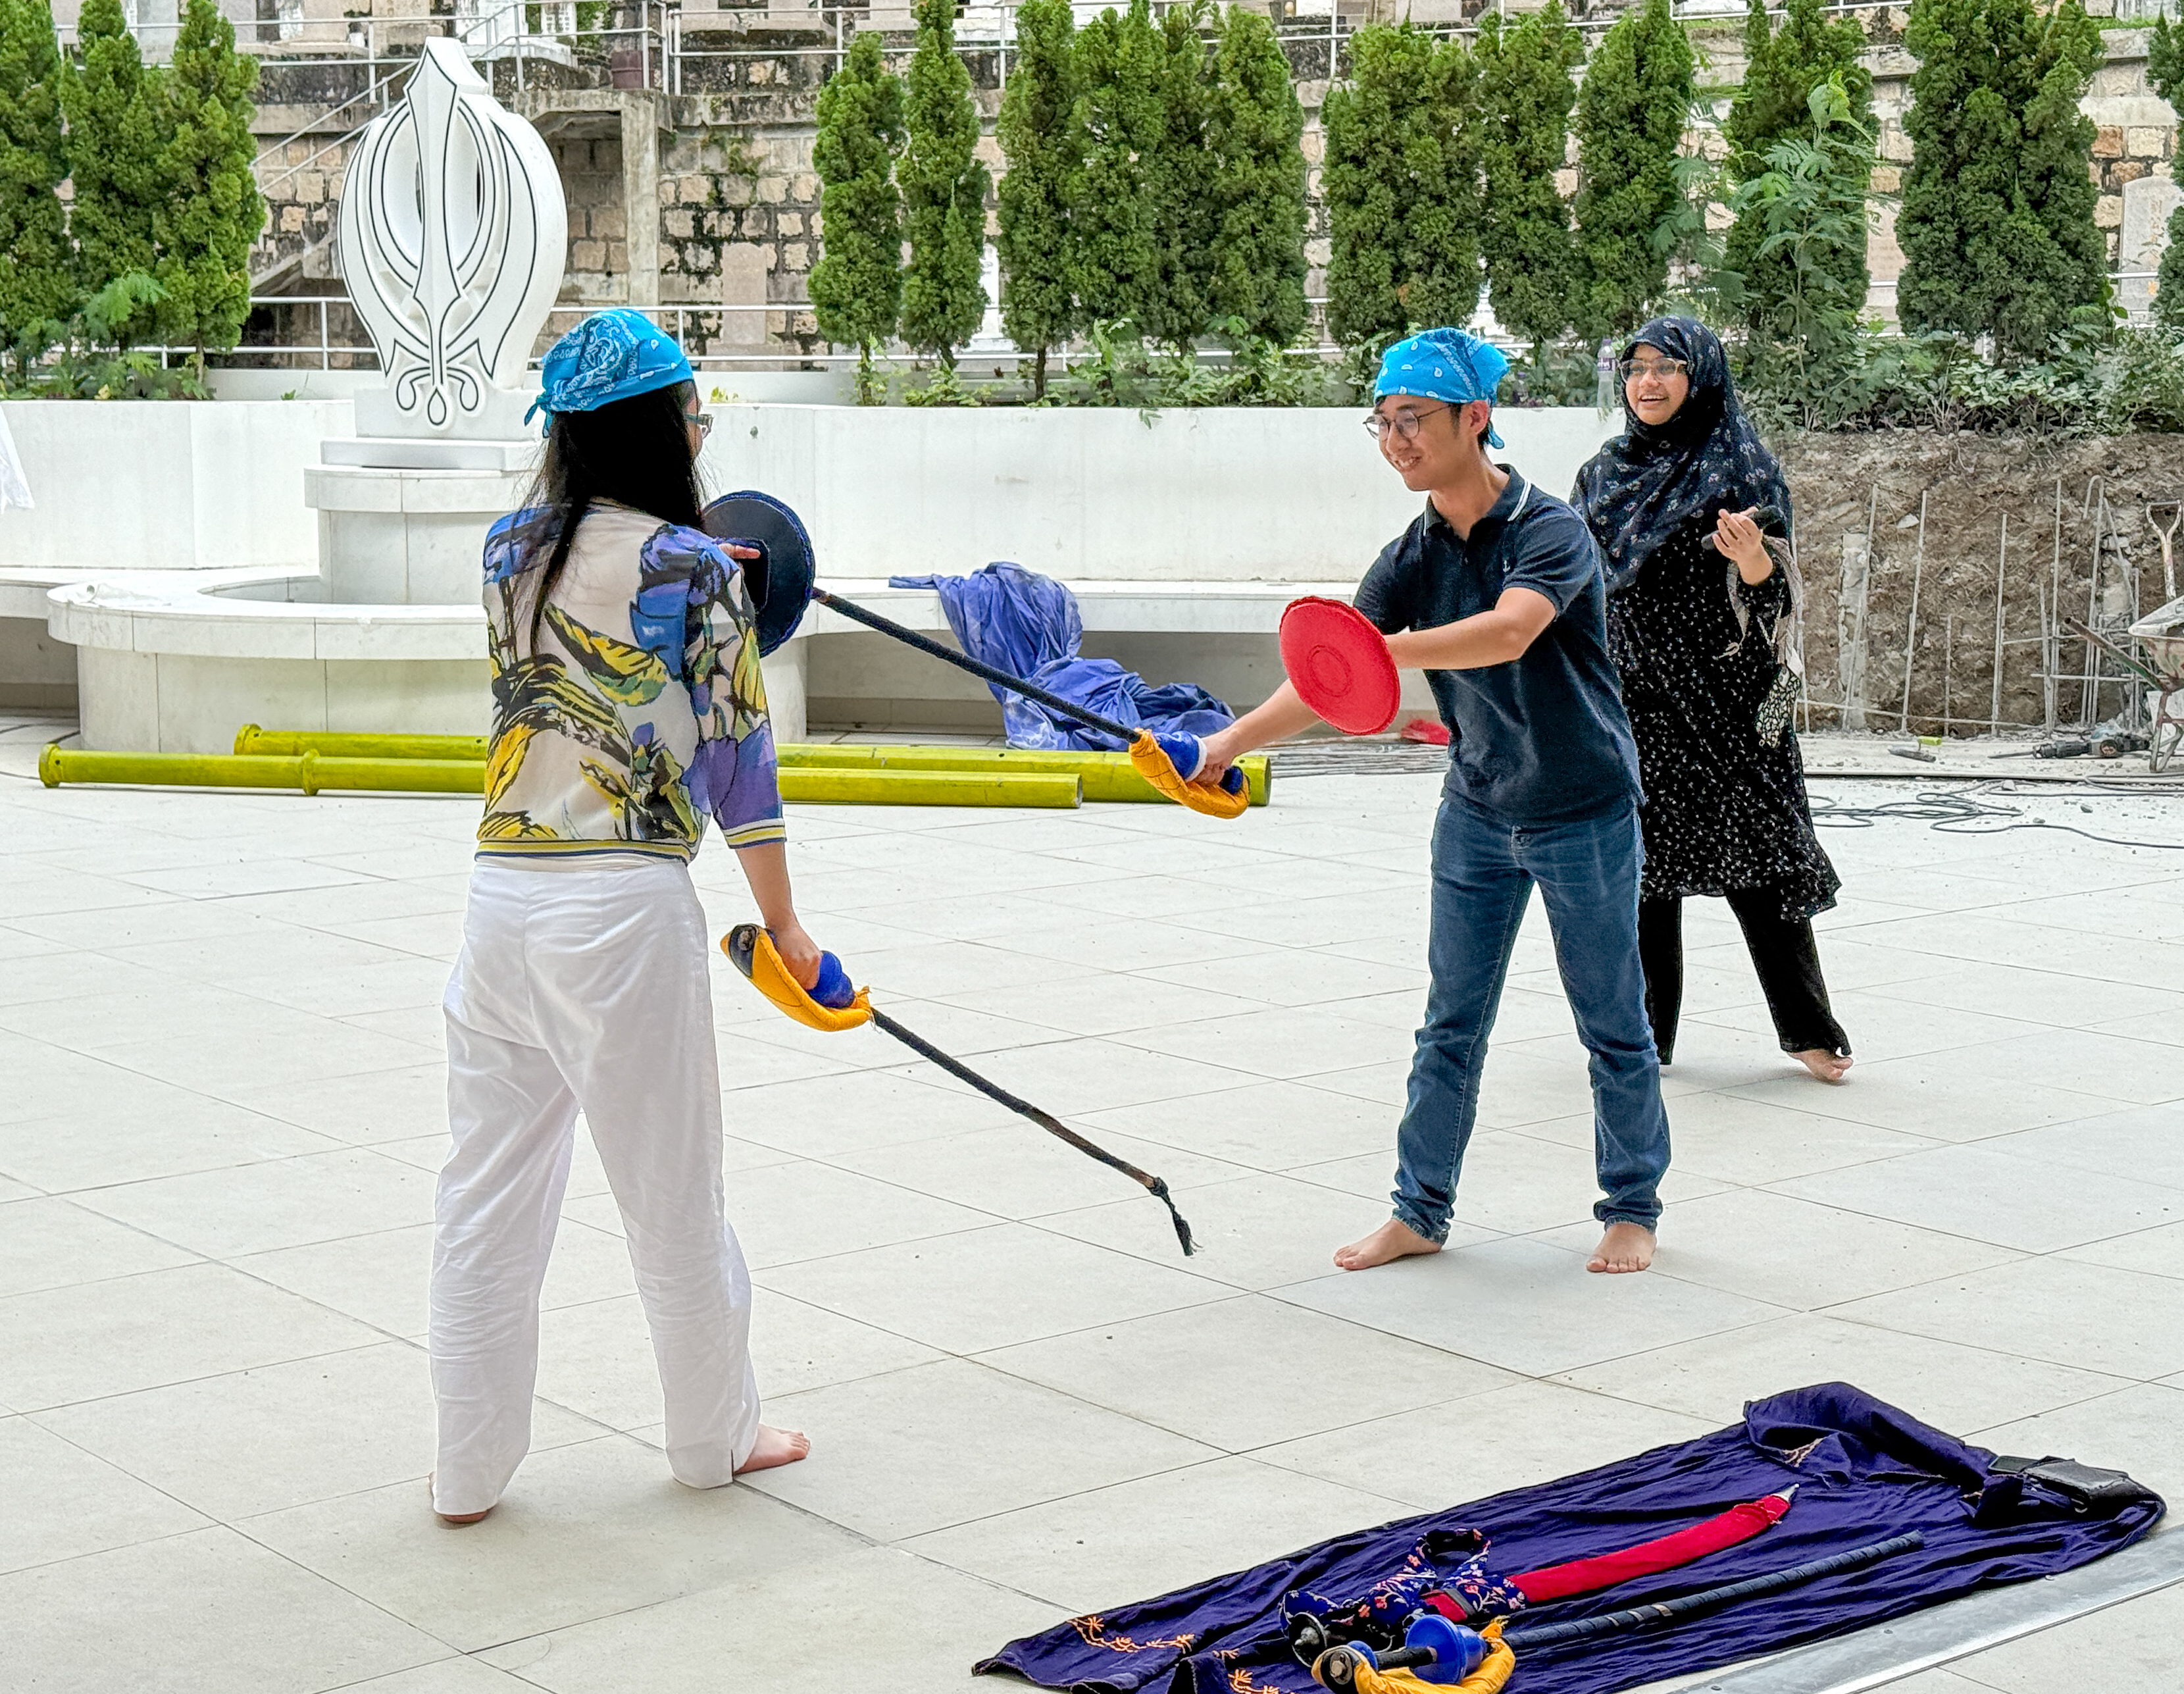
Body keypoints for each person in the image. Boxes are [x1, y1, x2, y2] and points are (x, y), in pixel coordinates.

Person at [431, 309, 814, 1525]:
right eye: (692, 413)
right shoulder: (698, 570)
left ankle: (464, 1471)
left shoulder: (505, 550)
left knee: (484, 1197)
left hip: (499, 902)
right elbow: (736, 765)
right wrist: (787, 929)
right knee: (670, 1193)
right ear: (664, 424)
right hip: (621, 910)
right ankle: (713, 1438)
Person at [1201, 328, 1670, 1276]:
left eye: (1412, 419)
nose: (1396, 441)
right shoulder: (1411, 550)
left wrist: (1384, 653)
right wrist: (1221, 746)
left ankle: (1631, 1207)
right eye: (1382, 423)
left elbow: (1507, 633)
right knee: (1449, 1018)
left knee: (1609, 1017)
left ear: (1474, 419)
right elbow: (1330, 673)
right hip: (1479, 806)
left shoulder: (1549, 528)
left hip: (1581, 806)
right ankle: (1418, 1208)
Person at [1572, 319, 1851, 1085]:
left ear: (1701, 377)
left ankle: (1808, 1030)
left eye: (1667, 368)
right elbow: (1574, 584)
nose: (1649, 383)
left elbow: (1778, 603)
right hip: (1632, 698)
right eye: (1636, 367)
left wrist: (1754, 560)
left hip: (1734, 704)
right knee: (1639, 874)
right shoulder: (1602, 474)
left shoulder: (1743, 470)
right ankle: (1639, 1036)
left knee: (1762, 859)